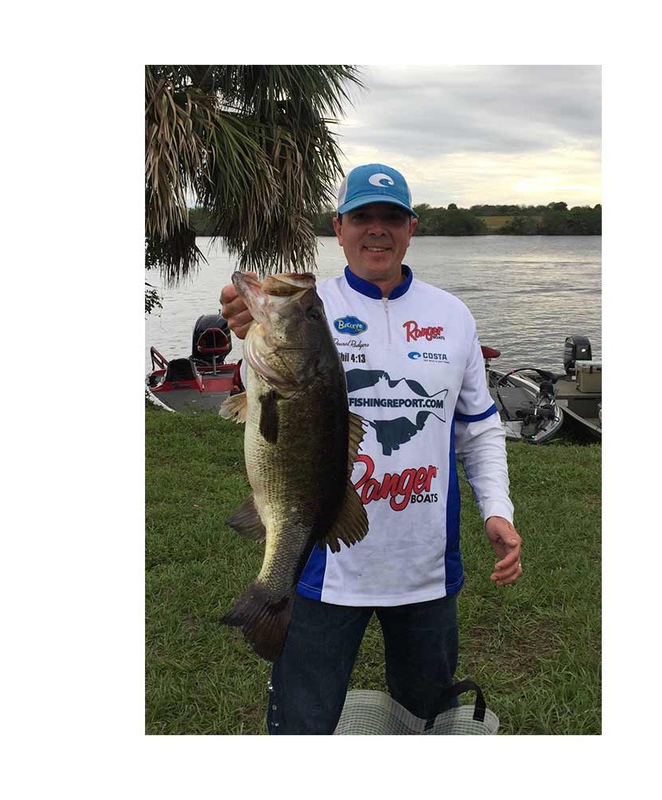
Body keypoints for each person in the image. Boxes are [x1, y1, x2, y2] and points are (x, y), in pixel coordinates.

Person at [219, 163, 522, 735]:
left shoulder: (452, 315)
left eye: (391, 218)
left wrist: (497, 511)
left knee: (424, 717)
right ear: (339, 228)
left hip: (425, 569)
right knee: (303, 724)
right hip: (323, 564)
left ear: (411, 229)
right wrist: (240, 310)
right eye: (362, 217)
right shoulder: (310, 305)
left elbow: (480, 428)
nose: (377, 229)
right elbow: (255, 366)